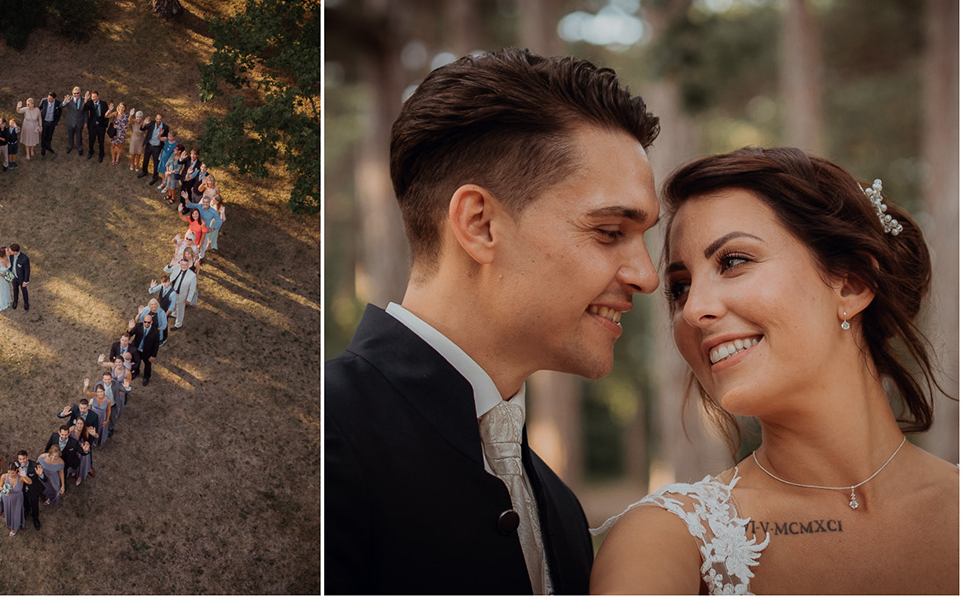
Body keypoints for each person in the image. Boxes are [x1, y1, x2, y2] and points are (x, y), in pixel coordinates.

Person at [324, 49, 661, 594]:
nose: (647, 275)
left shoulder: (561, 510)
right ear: (479, 224)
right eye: (608, 231)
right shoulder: (328, 441)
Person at [590, 149, 959, 594]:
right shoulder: (668, 538)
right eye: (681, 287)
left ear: (852, 283)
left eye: (732, 261)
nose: (694, 311)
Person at [61, 87, 86, 155]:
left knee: (79, 136)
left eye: (78, 93)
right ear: (72, 94)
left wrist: (86, 122)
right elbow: (61, 106)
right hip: (70, 121)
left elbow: (85, 112)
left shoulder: (84, 100)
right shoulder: (69, 99)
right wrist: (64, 102)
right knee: (70, 135)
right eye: (75, 93)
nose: (76, 94)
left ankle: (79, 147)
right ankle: (70, 146)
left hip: (79, 121)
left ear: (80, 93)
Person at [85, 91, 109, 161]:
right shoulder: (90, 103)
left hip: (101, 126)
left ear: (98, 96)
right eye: (93, 97)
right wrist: (86, 99)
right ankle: (91, 151)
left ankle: (101, 154)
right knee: (91, 140)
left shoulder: (103, 103)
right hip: (92, 126)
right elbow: (84, 109)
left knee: (101, 141)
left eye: (95, 96)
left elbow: (106, 115)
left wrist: (105, 125)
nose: (94, 98)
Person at [17, 98, 42, 162]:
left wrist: (40, 126)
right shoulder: (26, 109)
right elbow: (18, 111)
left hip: (34, 127)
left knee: (33, 140)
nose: (27, 105)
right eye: (27, 104)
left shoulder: (37, 110)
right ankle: (27, 153)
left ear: (33, 104)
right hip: (27, 127)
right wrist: (18, 107)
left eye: (29, 104)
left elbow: (40, 118)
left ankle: (32, 150)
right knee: (27, 140)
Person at [109, 103, 130, 168]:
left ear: (125, 109)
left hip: (121, 133)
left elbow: (128, 124)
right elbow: (106, 116)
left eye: (123, 108)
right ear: (118, 107)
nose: (121, 109)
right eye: (120, 107)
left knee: (119, 147)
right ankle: (113, 159)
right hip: (114, 133)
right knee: (113, 146)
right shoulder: (116, 113)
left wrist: (131, 116)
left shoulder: (126, 116)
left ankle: (117, 159)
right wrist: (109, 110)